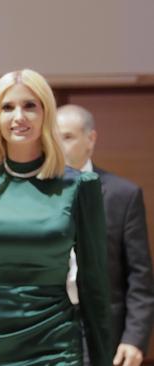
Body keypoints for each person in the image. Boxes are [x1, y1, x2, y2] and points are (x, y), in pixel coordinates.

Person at [0, 69, 112, 365]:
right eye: (7, 107)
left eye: (30, 106)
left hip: (54, 340)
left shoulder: (79, 186)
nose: (18, 116)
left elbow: (94, 283)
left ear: (46, 114)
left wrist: (102, 357)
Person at [57, 104, 154, 366]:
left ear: (91, 139)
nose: (58, 145)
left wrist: (134, 338)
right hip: (50, 325)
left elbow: (140, 276)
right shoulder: (39, 194)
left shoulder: (123, 194)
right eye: (53, 137)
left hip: (103, 328)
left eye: (67, 137)